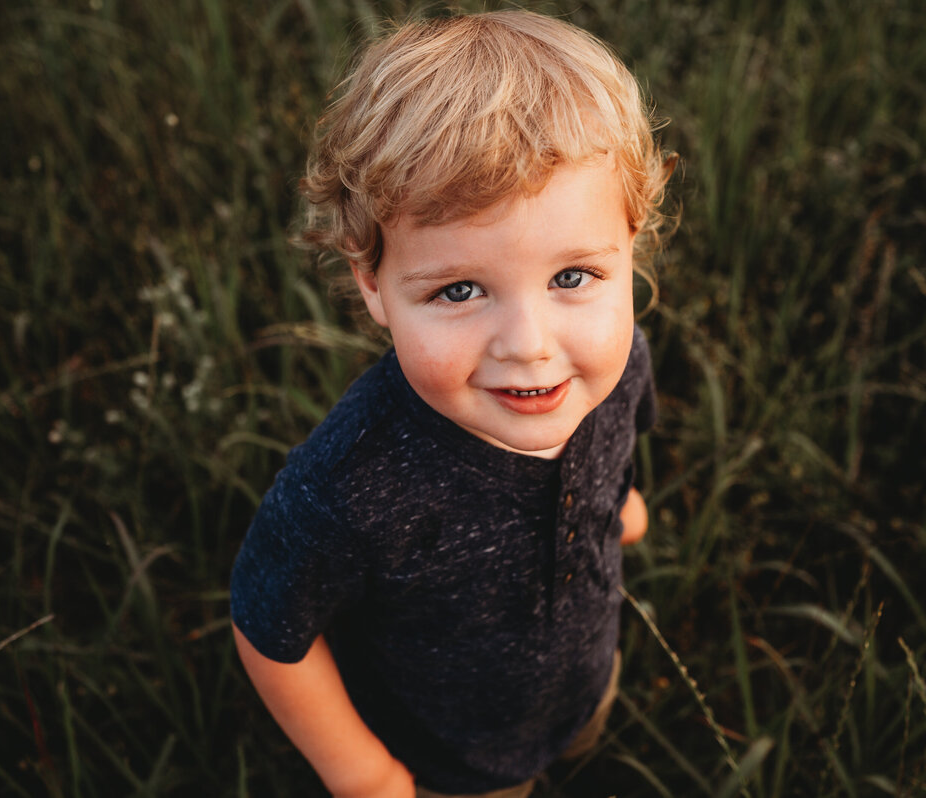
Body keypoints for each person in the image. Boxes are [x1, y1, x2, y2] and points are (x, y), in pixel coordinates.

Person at [230, 10, 676, 797]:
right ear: (372, 281)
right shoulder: (354, 482)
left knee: (586, 743)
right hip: (450, 757)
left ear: (630, 240)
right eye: (460, 290)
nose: (530, 344)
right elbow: (268, 628)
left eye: (572, 277)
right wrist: (363, 774)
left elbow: (621, 447)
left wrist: (621, 501)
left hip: (581, 673)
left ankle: (576, 737)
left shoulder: (616, 366)